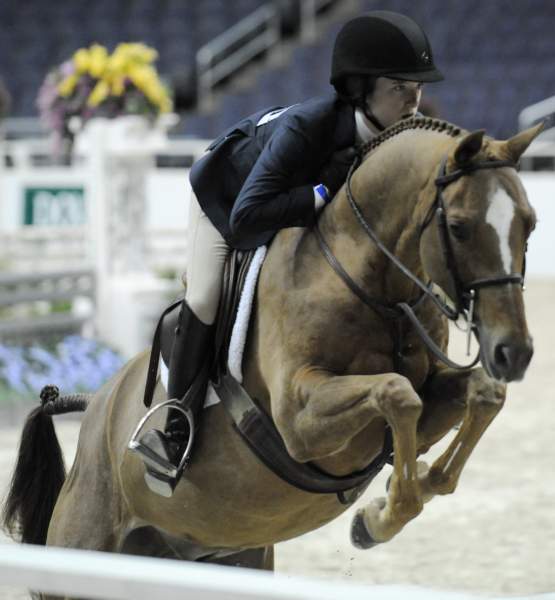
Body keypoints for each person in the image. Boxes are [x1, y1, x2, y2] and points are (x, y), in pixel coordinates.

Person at [135, 10, 444, 495]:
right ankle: (176, 425)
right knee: (206, 298)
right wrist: (322, 189)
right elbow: (247, 218)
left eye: (417, 89)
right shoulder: (309, 127)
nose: (413, 101)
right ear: (361, 88)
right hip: (227, 197)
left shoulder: (403, 131)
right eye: (400, 88)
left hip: (284, 201)